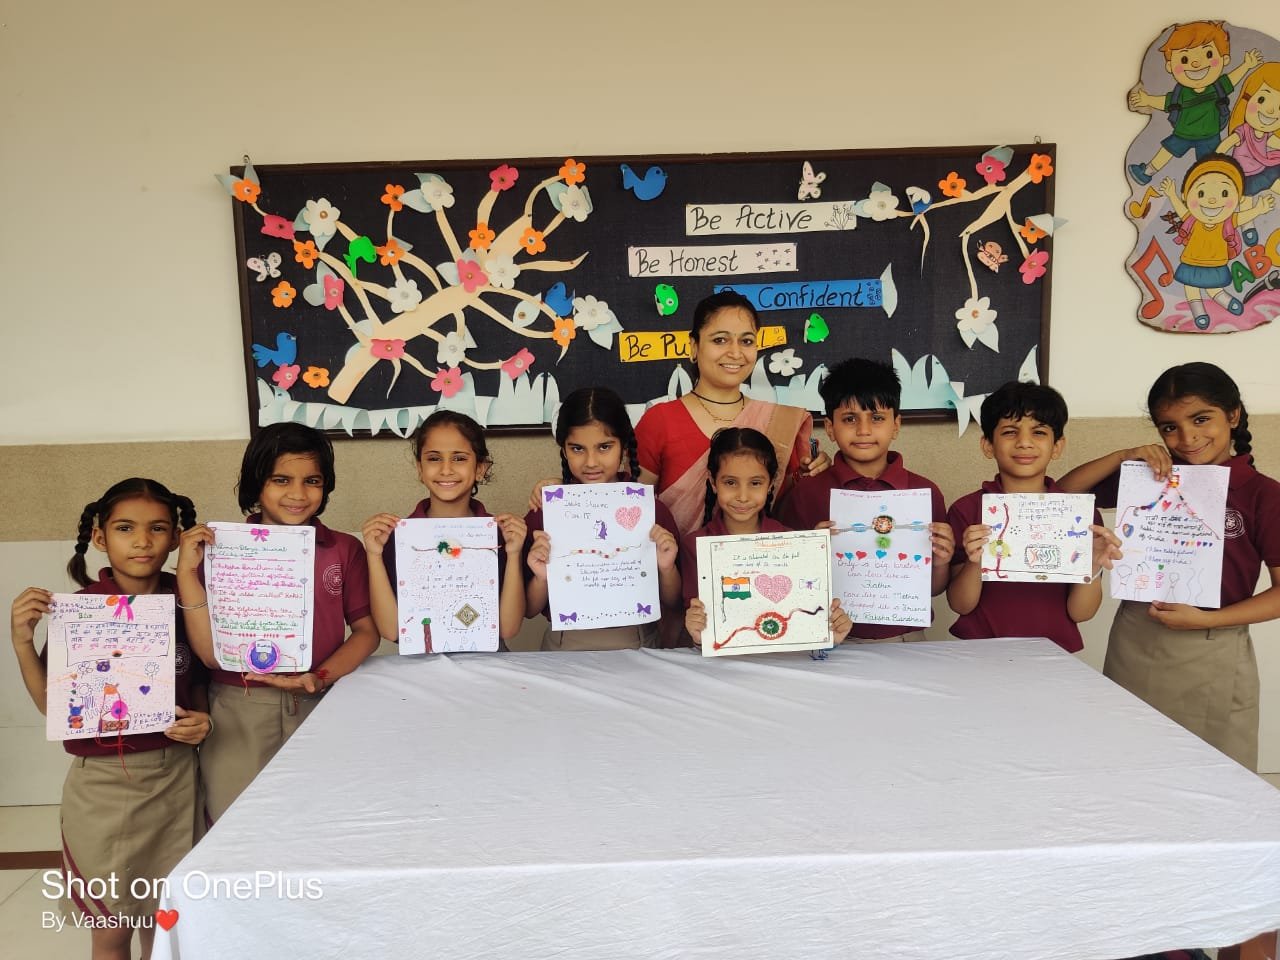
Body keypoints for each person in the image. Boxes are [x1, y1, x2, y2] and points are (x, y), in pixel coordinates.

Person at [10, 478, 208, 960]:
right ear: (100, 537)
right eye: (125, 528)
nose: (142, 541)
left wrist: (203, 721)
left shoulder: (190, 600)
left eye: (157, 528)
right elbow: (52, 706)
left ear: (175, 537)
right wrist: (21, 641)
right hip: (102, 787)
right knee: (112, 927)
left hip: (179, 781)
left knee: (166, 922)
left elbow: (205, 684)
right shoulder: (82, 612)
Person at [1059, 363, 1280, 771]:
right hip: (1137, 634)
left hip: (1214, 641)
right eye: (1169, 427)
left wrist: (1206, 620)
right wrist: (1124, 456)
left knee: (1214, 773)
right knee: (1130, 763)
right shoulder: (1150, 477)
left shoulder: (1264, 495)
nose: (1187, 437)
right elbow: (1063, 494)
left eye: (1201, 419)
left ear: (1233, 415)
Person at [176, 423, 378, 821]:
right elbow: (210, 655)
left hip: (319, 700)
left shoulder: (343, 548)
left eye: (312, 481)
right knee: (236, 820)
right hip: (237, 706)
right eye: (281, 480)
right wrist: (185, 572)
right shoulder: (219, 549)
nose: (298, 494)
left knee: (319, 818)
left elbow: (367, 631)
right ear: (257, 483)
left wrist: (320, 676)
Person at [775, 357, 954, 640]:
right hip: (831, 640)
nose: (864, 430)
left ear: (896, 425)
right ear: (830, 428)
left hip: (906, 640)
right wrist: (812, 551)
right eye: (849, 419)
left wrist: (942, 560)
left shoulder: (924, 493)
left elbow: (933, 588)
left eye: (877, 418)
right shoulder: (806, 494)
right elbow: (788, 579)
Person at [634, 290, 828, 536]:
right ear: (693, 346)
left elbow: (788, 514)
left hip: (762, 558)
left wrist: (820, 473)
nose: (735, 353)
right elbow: (635, 511)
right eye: (720, 340)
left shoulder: (780, 422)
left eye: (746, 341)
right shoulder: (660, 421)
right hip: (679, 559)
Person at [946, 383, 1121, 653]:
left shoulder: (1079, 516)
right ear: (988, 445)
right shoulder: (967, 510)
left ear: (1057, 446)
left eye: (1039, 432)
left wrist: (1093, 565)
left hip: (1053, 653)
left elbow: (1081, 613)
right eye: (1009, 432)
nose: (1024, 442)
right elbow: (960, 605)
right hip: (979, 651)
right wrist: (976, 561)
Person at [524, 387, 681, 650]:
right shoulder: (547, 511)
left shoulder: (651, 510)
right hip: (565, 644)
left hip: (638, 641)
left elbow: (674, 601)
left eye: (604, 447)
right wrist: (541, 576)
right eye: (577, 448)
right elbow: (529, 610)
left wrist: (666, 568)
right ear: (563, 450)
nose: (591, 462)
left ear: (623, 447)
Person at [363, 410, 526, 647]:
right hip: (421, 662)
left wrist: (513, 554)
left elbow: (509, 628)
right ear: (420, 468)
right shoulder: (397, 538)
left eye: (459, 458)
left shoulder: (501, 535)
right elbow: (390, 630)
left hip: (488, 661)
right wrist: (373, 555)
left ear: (480, 468)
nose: (446, 469)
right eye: (434, 458)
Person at [681, 427, 851, 647]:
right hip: (724, 663)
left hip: (784, 662)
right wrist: (698, 635)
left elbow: (805, 616)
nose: (743, 496)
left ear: (770, 484)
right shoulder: (694, 546)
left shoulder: (794, 544)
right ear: (713, 483)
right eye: (730, 482)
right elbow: (700, 622)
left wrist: (827, 632)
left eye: (755, 483)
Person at [1128, 20, 1261, 184]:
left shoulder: (1217, 86)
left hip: (1210, 135)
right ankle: (1147, 172)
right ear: (1169, 66)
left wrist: (1246, 66)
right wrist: (1147, 99)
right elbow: (1166, 102)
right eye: (1184, 59)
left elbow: (1232, 79)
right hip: (1183, 133)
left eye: (1209, 54)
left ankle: (1210, 186)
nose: (1196, 63)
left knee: (1208, 164)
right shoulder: (1182, 92)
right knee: (1166, 151)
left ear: (1225, 59)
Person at [1160, 155, 1275, 328]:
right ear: (1186, 196)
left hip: (1215, 264)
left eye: (1224, 193)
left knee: (1213, 288)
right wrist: (1171, 194)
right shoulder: (1192, 220)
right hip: (1191, 262)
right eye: (1201, 193)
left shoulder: (1227, 222)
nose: (1212, 200)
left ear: (1239, 198)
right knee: (1191, 288)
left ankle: (1226, 301)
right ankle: (1199, 312)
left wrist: (1258, 209)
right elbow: (1181, 210)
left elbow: (1243, 217)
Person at [1216, 62, 1280, 197]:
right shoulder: (1243, 130)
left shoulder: (1267, 134)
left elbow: (1276, 143)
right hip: (1244, 176)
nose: (1270, 111)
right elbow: (1225, 145)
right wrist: (1216, 164)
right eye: (1261, 99)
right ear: (1247, 99)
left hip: (1262, 170)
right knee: (1246, 202)